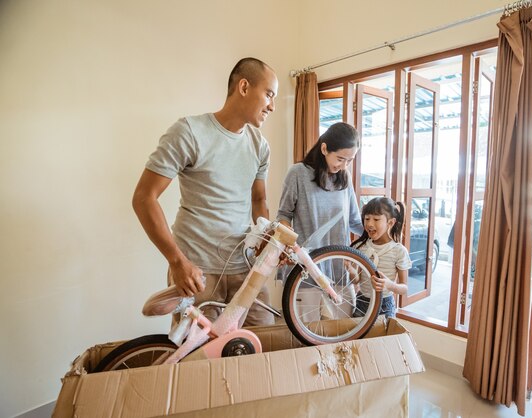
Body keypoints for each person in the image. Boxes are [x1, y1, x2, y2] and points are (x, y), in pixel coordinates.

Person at [132, 57, 278, 327]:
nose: (272, 105)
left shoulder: (259, 146)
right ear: (244, 87)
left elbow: (259, 200)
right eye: (269, 94)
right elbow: (144, 198)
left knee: (263, 346)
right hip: (197, 271)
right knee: (200, 363)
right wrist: (177, 262)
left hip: (243, 269)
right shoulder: (189, 132)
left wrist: (265, 238)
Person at [276, 122, 364, 320]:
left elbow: (354, 221)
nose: (344, 166)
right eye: (340, 159)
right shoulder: (298, 173)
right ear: (324, 148)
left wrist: (380, 231)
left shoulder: (344, 178)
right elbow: (283, 215)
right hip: (305, 267)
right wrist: (290, 244)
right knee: (304, 333)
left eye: (350, 161)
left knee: (344, 330)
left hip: (337, 267)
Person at [350, 197, 411, 318]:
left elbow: (404, 288)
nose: (369, 224)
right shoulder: (360, 246)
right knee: (359, 337)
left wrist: (389, 285)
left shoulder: (399, 251)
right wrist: (349, 268)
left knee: (382, 337)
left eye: (376, 219)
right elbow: (356, 280)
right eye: (367, 218)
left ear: (390, 223)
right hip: (361, 302)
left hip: (385, 305)